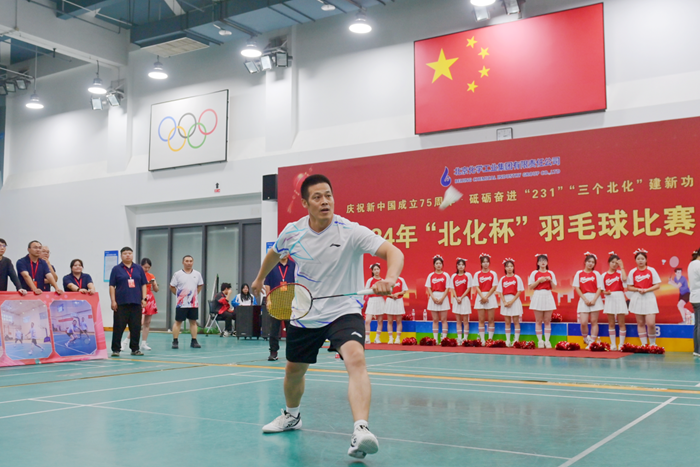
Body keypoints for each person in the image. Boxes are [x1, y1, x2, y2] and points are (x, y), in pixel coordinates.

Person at [251, 174, 403, 459]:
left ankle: (361, 430)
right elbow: (274, 253)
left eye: (328, 196)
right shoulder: (293, 232)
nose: (325, 202)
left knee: (355, 358)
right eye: (317, 197)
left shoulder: (350, 231)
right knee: (294, 370)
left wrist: (391, 277)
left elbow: (392, 251)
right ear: (305, 203)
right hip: (306, 311)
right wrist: (260, 279)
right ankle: (292, 416)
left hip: (344, 309)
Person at [109, 246, 148, 357]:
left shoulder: (138, 268)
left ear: (132, 255)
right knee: (118, 327)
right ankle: (116, 349)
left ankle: (135, 349)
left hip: (136, 302)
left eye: (129, 253)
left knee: (135, 327)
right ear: (121, 256)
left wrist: (144, 298)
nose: (127, 255)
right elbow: (112, 286)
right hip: (121, 303)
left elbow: (143, 284)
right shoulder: (116, 269)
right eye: (125, 253)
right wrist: (113, 301)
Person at [264, 256, 297, 360]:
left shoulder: (294, 265)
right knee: (274, 329)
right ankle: (273, 352)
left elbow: (298, 283)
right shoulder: (272, 265)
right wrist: (268, 299)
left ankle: (292, 353)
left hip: (290, 302)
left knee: (291, 329)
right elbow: (267, 284)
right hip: (275, 302)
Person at [627, 248, 661, 346]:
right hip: (637, 297)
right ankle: (644, 345)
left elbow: (657, 285)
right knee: (640, 323)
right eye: (638, 259)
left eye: (642, 259)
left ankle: (653, 344)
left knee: (651, 323)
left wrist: (646, 290)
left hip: (649, 297)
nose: (640, 261)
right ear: (635, 260)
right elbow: (629, 287)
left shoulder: (651, 270)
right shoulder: (632, 272)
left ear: (646, 260)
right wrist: (638, 289)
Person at [170, 255, 204, 349]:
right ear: (183, 262)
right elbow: (172, 286)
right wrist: (179, 295)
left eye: (190, 261)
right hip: (181, 304)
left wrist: (195, 294)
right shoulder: (177, 274)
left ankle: (194, 340)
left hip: (193, 304)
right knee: (178, 322)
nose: (189, 263)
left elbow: (200, 285)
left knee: (193, 322)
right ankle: (175, 341)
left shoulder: (197, 274)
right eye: (187, 261)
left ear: (193, 262)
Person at [573, 252, 604, 349]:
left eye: (593, 262)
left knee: (594, 321)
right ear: (585, 262)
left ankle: (592, 342)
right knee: (583, 322)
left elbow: (600, 288)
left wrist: (594, 299)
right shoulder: (579, 273)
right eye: (589, 261)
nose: (591, 264)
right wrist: (585, 299)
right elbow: (577, 287)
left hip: (595, 298)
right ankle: (586, 339)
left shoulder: (596, 274)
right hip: (584, 298)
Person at [529, 254, 557, 349]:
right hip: (538, 295)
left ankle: (547, 341)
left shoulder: (551, 273)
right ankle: (540, 341)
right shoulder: (534, 273)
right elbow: (530, 287)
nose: (542, 262)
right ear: (537, 263)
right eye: (540, 260)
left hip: (548, 295)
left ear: (547, 262)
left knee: (547, 320)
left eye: (544, 260)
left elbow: (554, 287)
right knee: (538, 320)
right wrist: (539, 281)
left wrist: (550, 280)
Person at [603, 252, 628, 351]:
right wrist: (605, 292)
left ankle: (621, 344)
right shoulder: (603, 275)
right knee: (611, 323)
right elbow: (601, 289)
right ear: (609, 262)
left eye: (616, 263)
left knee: (621, 323)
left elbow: (625, 279)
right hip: (609, 298)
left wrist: (622, 267)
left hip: (619, 297)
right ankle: (613, 344)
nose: (614, 264)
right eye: (612, 262)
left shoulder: (620, 273)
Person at [497, 258, 524, 347]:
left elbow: (519, 291)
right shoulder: (502, 279)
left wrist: (512, 301)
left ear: (513, 267)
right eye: (507, 266)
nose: (509, 268)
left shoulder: (517, 278)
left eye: (511, 266)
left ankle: (516, 340)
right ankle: (508, 340)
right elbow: (500, 292)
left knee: (516, 321)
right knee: (507, 321)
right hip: (505, 300)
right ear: (505, 268)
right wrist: (504, 302)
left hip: (514, 300)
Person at [473, 254, 498, 344]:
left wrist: (486, 297)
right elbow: (477, 287)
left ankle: (490, 339)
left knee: (491, 319)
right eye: (484, 262)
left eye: (487, 262)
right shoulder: (477, 274)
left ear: (489, 263)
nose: (485, 264)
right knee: (481, 320)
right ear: (481, 263)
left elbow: (494, 287)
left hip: (490, 296)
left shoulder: (493, 274)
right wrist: (482, 297)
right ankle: (482, 340)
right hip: (480, 297)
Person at [425, 255, 451, 342]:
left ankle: (444, 339)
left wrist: (442, 298)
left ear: (442, 265)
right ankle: (435, 339)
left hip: (443, 297)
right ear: (434, 265)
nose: (438, 265)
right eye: (436, 263)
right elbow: (429, 288)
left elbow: (447, 288)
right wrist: (433, 297)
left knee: (443, 319)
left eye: (440, 263)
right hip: (433, 297)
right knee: (435, 319)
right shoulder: (430, 275)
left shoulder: (446, 275)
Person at [450, 258, 472, 345]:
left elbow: (469, 288)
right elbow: (452, 288)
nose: (461, 266)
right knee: (458, 321)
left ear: (465, 266)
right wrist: (456, 297)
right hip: (456, 300)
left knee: (465, 320)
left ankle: (465, 339)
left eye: (462, 265)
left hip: (465, 299)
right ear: (456, 266)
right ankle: (459, 338)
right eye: (459, 264)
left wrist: (461, 297)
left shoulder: (468, 275)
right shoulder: (453, 276)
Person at [363, 263, 386, 345]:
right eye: (375, 269)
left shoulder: (383, 281)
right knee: (367, 320)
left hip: (380, 300)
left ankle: (377, 338)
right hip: (372, 301)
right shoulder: (370, 280)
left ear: (380, 270)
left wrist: (381, 291)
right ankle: (367, 338)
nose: (376, 271)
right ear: (372, 271)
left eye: (377, 269)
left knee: (380, 321)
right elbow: (366, 291)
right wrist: (372, 288)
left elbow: (385, 292)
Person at [140, 258, 159, 350]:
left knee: (147, 322)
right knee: (139, 322)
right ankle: (126, 341)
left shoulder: (151, 275)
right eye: (145, 267)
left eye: (148, 267)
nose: (146, 269)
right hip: (140, 298)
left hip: (150, 298)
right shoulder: (138, 274)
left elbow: (156, 290)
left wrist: (154, 284)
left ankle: (144, 342)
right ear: (141, 266)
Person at [384, 275, 408, 344]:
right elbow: (384, 292)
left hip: (398, 300)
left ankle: (397, 338)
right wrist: (391, 295)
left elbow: (404, 291)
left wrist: (397, 293)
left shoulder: (401, 279)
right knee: (390, 321)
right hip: (390, 300)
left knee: (398, 321)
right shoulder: (387, 281)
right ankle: (390, 338)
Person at [687, 248, 700, 357]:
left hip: (695, 297)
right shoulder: (698, 264)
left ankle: (697, 349)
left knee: (697, 324)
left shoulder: (692, 264)